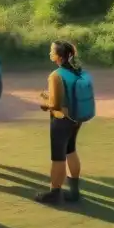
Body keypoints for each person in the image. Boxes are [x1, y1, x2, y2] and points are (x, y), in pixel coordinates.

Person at [37, 40, 84, 205]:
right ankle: (74, 191)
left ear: (58, 56)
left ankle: (55, 193)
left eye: (52, 51)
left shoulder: (56, 75)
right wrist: (49, 96)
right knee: (71, 150)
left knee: (58, 157)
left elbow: (55, 105)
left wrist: (45, 104)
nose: (50, 53)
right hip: (76, 118)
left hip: (61, 120)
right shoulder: (77, 71)